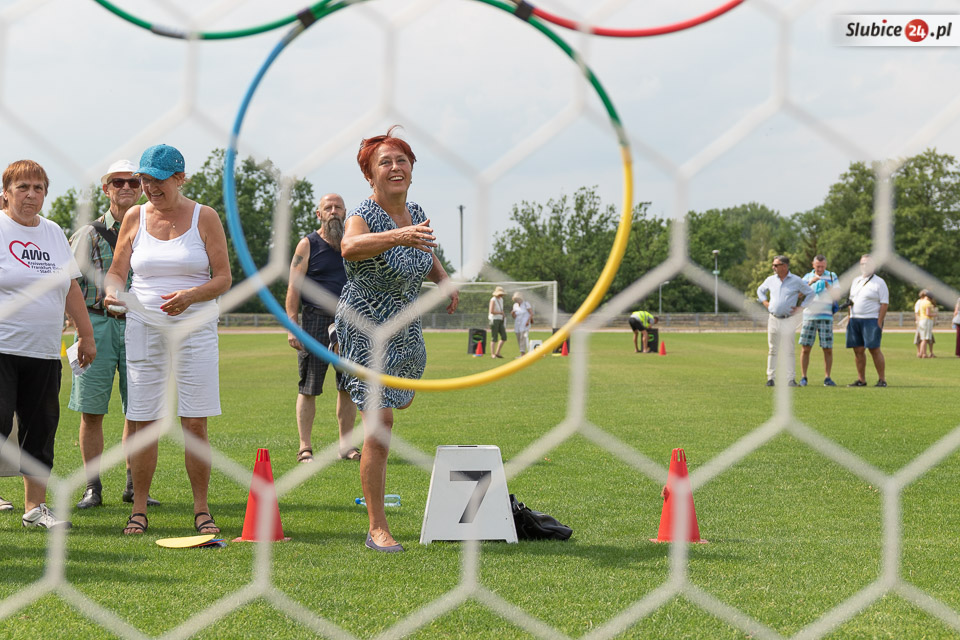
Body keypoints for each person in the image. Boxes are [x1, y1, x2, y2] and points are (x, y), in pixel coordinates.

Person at [336, 126, 458, 552]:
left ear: (411, 168)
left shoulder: (417, 210)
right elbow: (349, 248)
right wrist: (397, 236)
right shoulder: (362, 214)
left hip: (404, 326)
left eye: (401, 160)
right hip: (364, 325)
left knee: (398, 403)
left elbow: (424, 250)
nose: (394, 167)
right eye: (384, 162)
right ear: (370, 175)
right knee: (381, 424)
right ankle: (377, 528)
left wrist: (443, 278)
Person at [103, 144, 232, 535]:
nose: (149, 187)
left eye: (158, 179)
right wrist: (112, 293)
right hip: (143, 329)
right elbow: (116, 272)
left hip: (194, 329)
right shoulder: (134, 217)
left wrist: (191, 296)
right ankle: (138, 510)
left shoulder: (204, 217)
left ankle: (201, 509)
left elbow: (223, 278)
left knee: (194, 422)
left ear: (180, 178)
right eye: (145, 179)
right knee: (143, 421)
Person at [0, 159, 96, 529]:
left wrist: (85, 335)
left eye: (39, 188)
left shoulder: (53, 232)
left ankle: (35, 509)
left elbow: (71, 286)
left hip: (43, 351)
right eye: (22, 187)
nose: (31, 194)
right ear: (6, 193)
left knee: (40, 429)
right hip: (3, 348)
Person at [67, 160, 160, 509]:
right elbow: (67, 283)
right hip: (97, 323)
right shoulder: (88, 234)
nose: (126, 188)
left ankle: (135, 485)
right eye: (118, 182)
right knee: (92, 411)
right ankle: (93, 486)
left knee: (139, 410)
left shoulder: (151, 229)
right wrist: (80, 329)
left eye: (134, 183)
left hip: (139, 322)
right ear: (106, 189)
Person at [286, 193, 359, 463]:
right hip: (315, 322)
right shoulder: (307, 244)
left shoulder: (352, 244)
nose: (333, 211)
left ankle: (346, 446)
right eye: (327, 208)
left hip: (349, 324)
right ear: (319, 214)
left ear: (345, 212)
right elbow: (294, 286)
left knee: (348, 387)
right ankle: (305, 447)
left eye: (338, 207)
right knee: (309, 387)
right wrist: (292, 326)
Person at [757, 255, 814, 386]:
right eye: (773, 265)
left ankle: (790, 379)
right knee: (772, 349)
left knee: (789, 350)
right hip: (773, 318)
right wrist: (765, 302)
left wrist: (802, 307)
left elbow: (810, 293)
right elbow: (760, 290)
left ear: (784, 266)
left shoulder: (796, 280)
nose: (773, 267)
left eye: (776, 265)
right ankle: (770, 378)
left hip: (788, 320)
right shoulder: (770, 280)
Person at [845, 254, 888, 387]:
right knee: (858, 351)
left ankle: (882, 379)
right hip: (855, 319)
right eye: (862, 264)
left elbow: (884, 303)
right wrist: (849, 317)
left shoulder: (879, 282)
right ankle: (861, 379)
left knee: (874, 349)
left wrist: (879, 322)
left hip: (871, 320)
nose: (865, 266)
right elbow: (850, 302)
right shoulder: (855, 281)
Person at [798, 255, 839, 386]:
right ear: (813, 265)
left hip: (826, 316)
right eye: (817, 266)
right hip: (809, 315)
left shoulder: (832, 276)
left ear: (826, 265)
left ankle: (828, 377)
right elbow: (798, 294)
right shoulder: (807, 277)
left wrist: (828, 286)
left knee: (827, 348)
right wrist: (810, 283)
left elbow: (838, 295)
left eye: (822, 266)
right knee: (805, 348)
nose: (820, 269)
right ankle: (804, 377)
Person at [913, 289, 936, 358]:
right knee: (925, 339)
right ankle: (923, 354)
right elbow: (928, 313)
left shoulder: (921, 302)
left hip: (921, 320)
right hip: (927, 321)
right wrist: (935, 314)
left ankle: (921, 353)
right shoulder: (928, 303)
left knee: (923, 338)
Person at [511, 292, 534, 357]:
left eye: (518, 298)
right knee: (518, 338)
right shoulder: (515, 305)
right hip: (517, 324)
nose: (517, 300)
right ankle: (522, 352)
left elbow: (531, 313)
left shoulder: (526, 304)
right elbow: (514, 316)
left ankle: (523, 353)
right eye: (516, 299)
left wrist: (528, 321)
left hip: (525, 324)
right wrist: (512, 314)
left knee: (523, 338)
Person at [488, 286, 506, 358]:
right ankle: (492, 354)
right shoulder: (493, 299)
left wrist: (502, 314)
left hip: (500, 319)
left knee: (504, 337)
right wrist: (500, 313)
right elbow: (491, 311)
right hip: (494, 320)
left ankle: (497, 352)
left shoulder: (501, 300)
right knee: (494, 337)